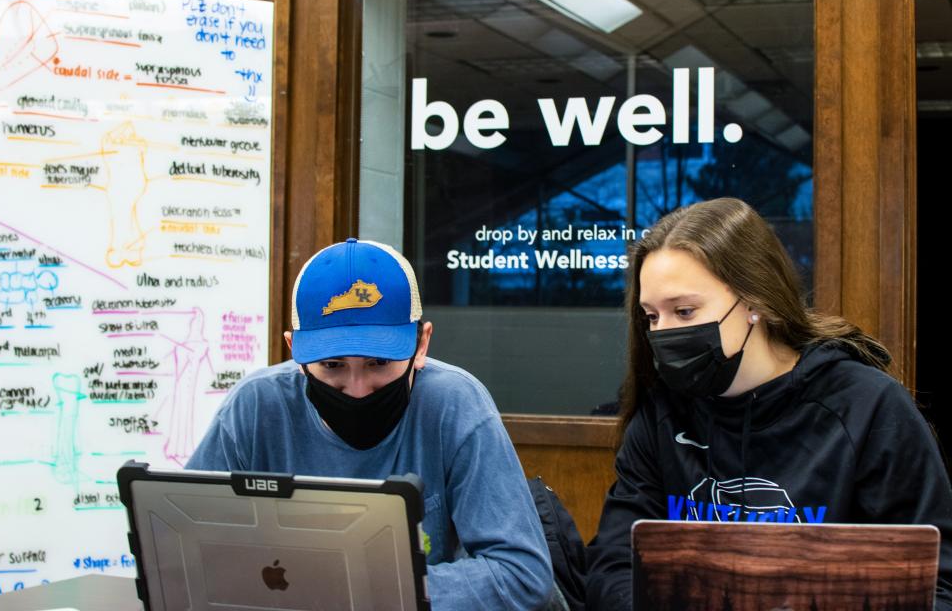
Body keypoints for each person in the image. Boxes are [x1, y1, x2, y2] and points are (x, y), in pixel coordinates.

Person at [585, 198, 952, 609]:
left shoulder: (868, 408)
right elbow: (614, 565)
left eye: (685, 311)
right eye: (652, 317)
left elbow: (933, 584)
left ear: (754, 302)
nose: (663, 333)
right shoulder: (662, 415)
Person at [186, 238, 553, 610]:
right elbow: (185, 548)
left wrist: (365, 587)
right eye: (332, 366)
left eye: (378, 363)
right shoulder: (254, 407)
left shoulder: (456, 405)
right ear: (295, 350)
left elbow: (522, 574)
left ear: (421, 344)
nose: (358, 390)